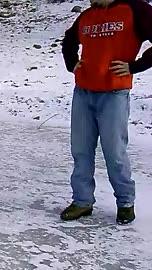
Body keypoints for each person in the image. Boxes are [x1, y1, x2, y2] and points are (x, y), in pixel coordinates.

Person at [60, 0, 152, 224]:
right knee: (81, 150)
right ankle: (82, 201)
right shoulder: (88, 15)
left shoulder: (135, 9)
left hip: (114, 93)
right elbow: (69, 41)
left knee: (115, 152)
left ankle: (125, 203)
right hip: (83, 93)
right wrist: (72, 63)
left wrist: (134, 66)